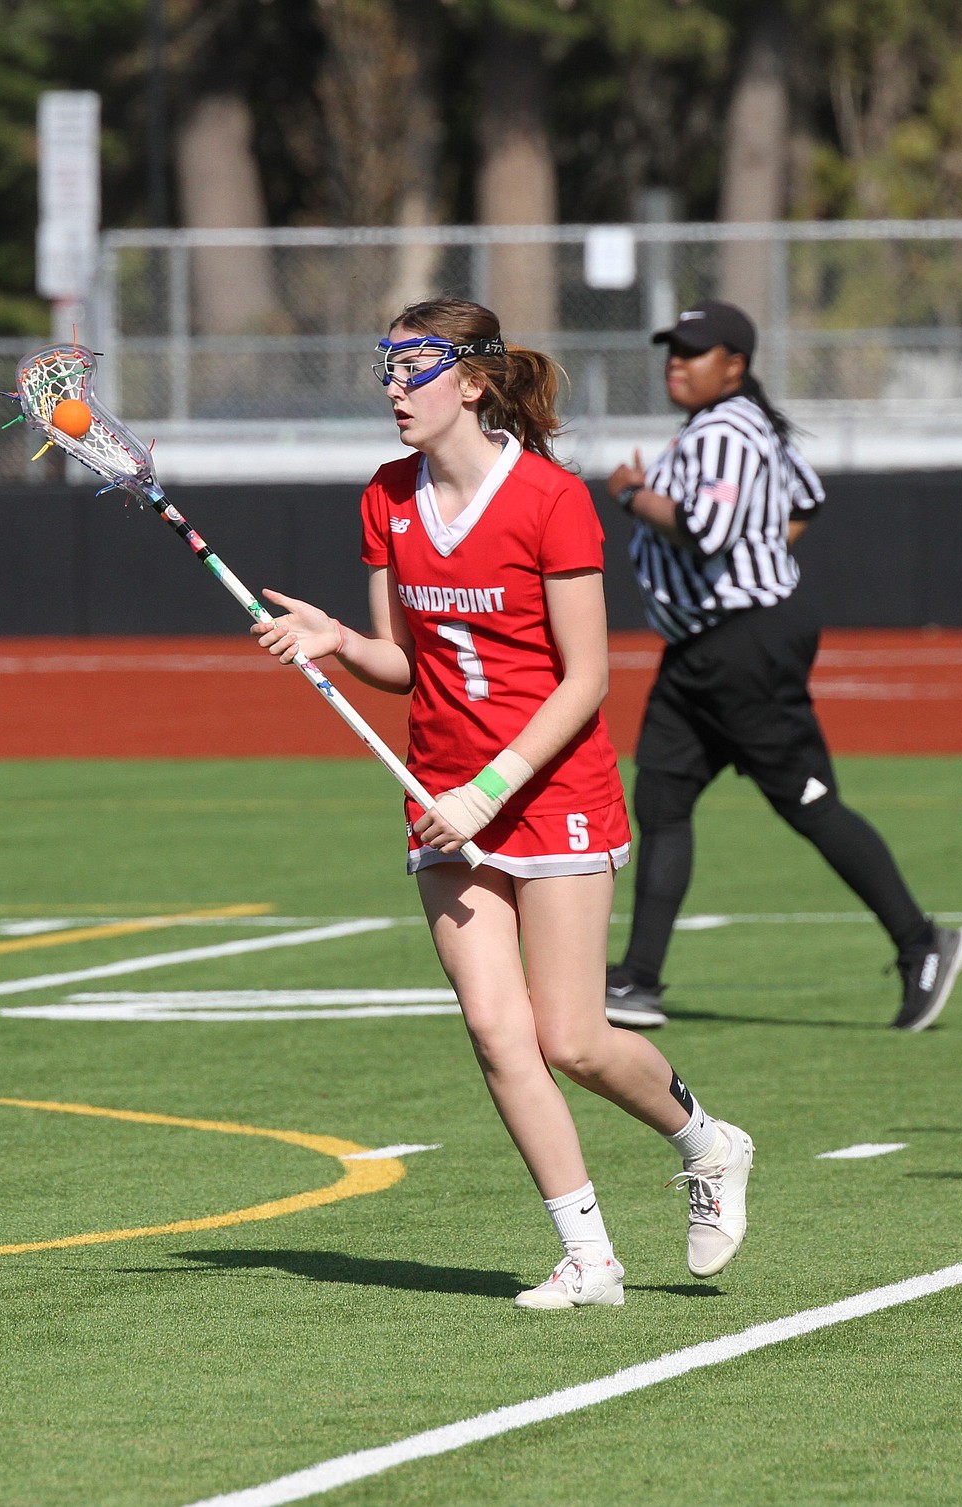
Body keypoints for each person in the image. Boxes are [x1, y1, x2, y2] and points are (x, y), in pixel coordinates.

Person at [252, 296, 753, 1309]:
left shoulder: (550, 500)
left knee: (571, 1037)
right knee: (495, 1028)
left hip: (546, 788)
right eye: (384, 367)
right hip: (441, 797)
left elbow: (587, 679)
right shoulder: (386, 499)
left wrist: (493, 788)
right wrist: (340, 643)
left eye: (413, 368)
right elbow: (405, 663)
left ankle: (705, 1141)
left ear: (473, 382)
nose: (394, 387)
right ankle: (590, 1256)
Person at [604, 299, 962, 1034]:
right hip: (703, 646)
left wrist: (630, 494)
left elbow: (707, 530)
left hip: (744, 642)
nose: (677, 359)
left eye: (695, 349)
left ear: (735, 365)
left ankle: (921, 941)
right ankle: (638, 978)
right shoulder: (730, 430)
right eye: (673, 347)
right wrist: (761, 552)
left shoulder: (729, 431)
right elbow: (806, 494)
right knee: (663, 798)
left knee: (806, 801)